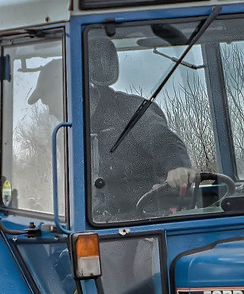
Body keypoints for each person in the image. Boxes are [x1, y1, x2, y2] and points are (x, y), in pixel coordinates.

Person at [30, 33, 199, 219]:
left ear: (71, 92)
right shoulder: (72, 133)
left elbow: (163, 139)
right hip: (101, 221)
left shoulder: (129, 110)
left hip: (145, 218)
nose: (51, 112)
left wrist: (178, 167)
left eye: (50, 103)